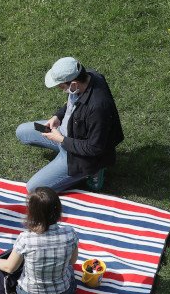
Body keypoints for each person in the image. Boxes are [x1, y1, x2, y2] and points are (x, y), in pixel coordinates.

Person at [16, 56, 124, 193]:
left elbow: (94, 148)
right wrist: (58, 116)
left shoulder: (97, 108)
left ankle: (93, 170)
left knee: (33, 188)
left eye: (61, 86)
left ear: (73, 84)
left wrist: (60, 139)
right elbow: (71, 103)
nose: (61, 90)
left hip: (83, 156)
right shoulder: (89, 77)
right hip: (65, 132)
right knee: (21, 131)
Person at [0, 187, 78, 294]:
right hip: (62, 293)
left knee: (22, 272)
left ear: (32, 213)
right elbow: (72, 261)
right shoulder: (70, 233)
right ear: (58, 209)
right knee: (70, 272)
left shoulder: (25, 238)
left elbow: (10, 267)